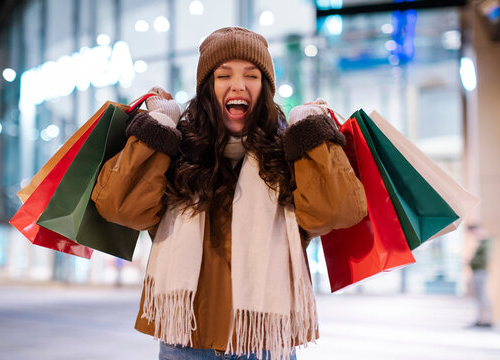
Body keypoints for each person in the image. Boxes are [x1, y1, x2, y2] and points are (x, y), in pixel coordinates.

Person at [91, 27, 367, 360]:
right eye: (224, 75)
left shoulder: (288, 152)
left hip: (265, 341)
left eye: (252, 75)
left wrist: (310, 133)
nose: (239, 85)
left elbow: (336, 211)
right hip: (186, 339)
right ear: (208, 89)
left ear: (264, 89)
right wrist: (159, 126)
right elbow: (120, 207)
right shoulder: (178, 152)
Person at [468, 224, 493, 328]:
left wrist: (471, 261)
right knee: (478, 297)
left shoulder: (486, 242)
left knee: (482, 296)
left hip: (480, 271)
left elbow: (483, 259)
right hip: (477, 271)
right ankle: (481, 319)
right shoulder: (481, 242)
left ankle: (486, 320)